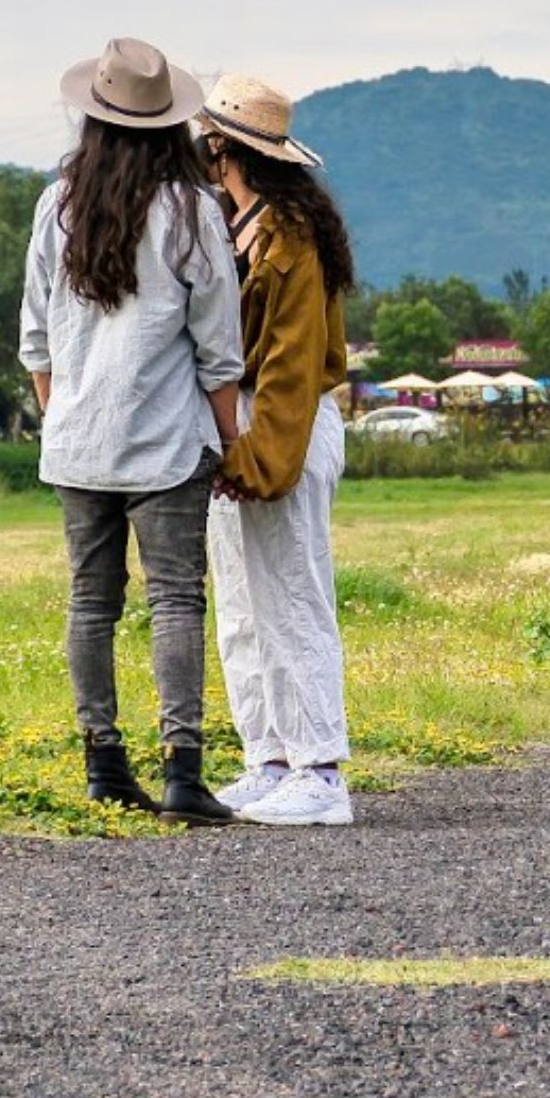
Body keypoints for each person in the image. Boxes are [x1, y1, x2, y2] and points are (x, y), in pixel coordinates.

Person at [18, 38, 245, 825]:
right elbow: (220, 350)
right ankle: (183, 770)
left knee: (91, 603)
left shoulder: (58, 205)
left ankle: (102, 763)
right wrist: (233, 441)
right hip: (167, 441)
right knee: (177, 600)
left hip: (77, 442)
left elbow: (35, 341)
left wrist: (65, 417)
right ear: (169, 126)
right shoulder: (192, 211)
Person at [197, 76, 359, 827]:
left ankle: (319, 770)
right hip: (248, 428)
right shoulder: (244, 223)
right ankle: (267, 756)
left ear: (225, 147)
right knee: (243, 604)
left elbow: (294, 367)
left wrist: (258, 459)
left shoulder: (289, 240)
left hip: (280, 428)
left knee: (292, 595)